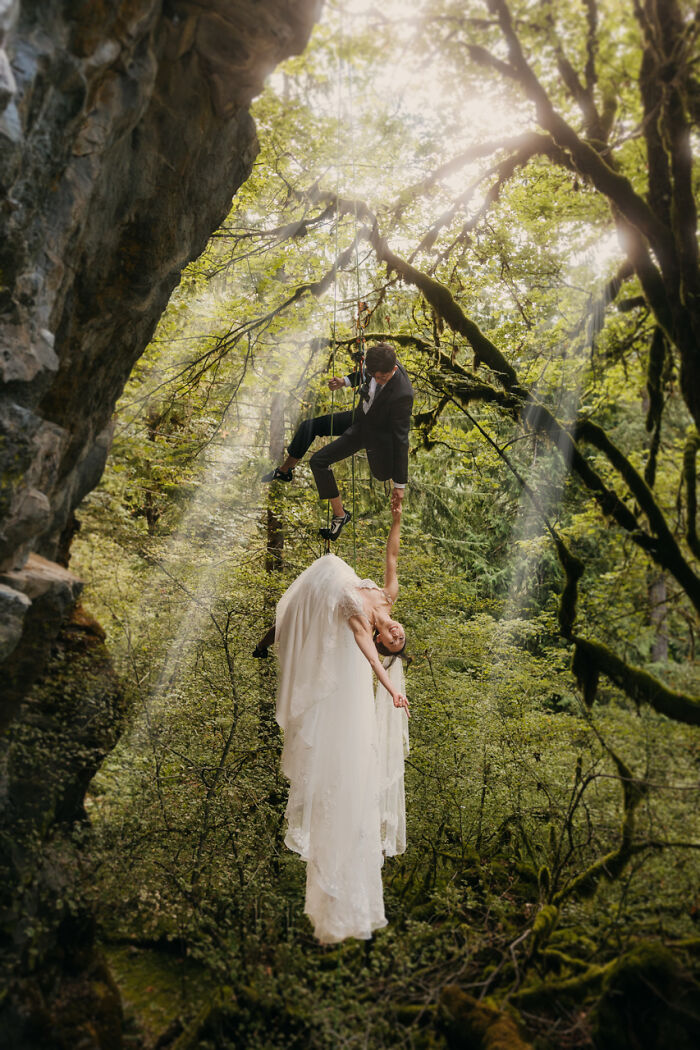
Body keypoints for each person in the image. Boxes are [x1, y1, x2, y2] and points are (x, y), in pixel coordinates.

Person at [253, 505, 410, 943]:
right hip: (330, 573)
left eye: (394, 640)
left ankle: (270, 638)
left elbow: (369, 657)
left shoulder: (362, 623)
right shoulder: (387, 597)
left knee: (298, 622)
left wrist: (391, 690)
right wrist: (396, 517)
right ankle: (271, 636)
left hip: (326, 594)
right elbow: (392, 556)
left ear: (382, 640)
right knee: (294, 610)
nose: (396, 633)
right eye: (400, 634)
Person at [262, 342, 414, 540]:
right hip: (360, 416)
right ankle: (285, 471)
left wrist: (400, 486)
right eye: (374, 376)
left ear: (393, 369)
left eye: (382, 378)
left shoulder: (403, 394)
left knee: (318, 461)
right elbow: (365, 374)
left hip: (370, 433)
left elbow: (402, 440)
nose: (377, 380)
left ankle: (340, 515)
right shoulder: (378, 363)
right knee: (309, 426)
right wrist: (345, 381)